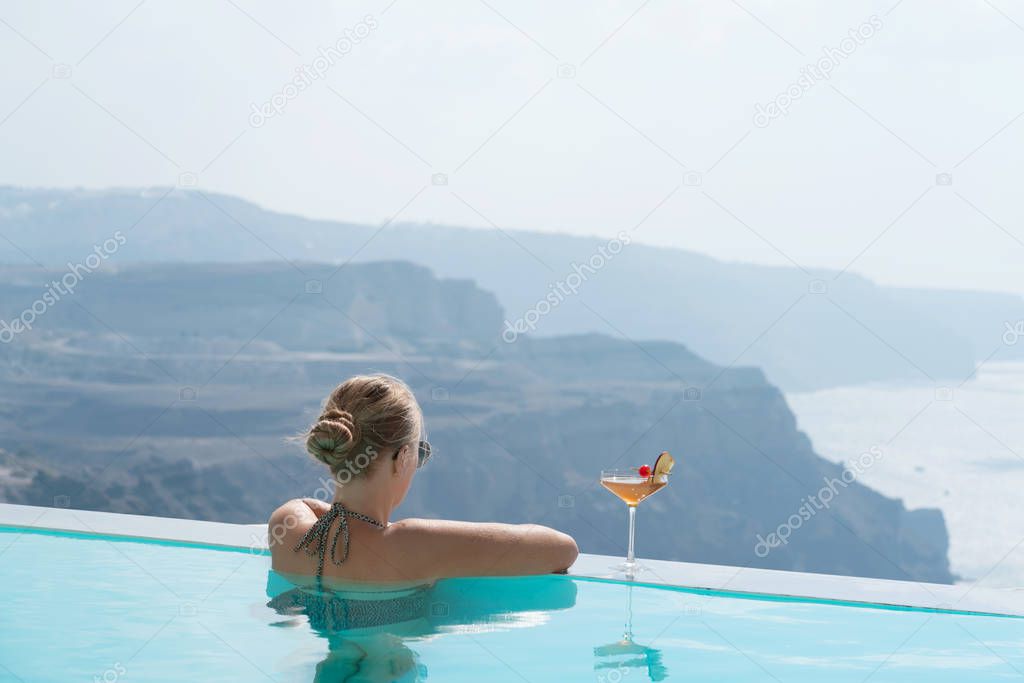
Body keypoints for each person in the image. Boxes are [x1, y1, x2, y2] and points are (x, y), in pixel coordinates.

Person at [269, 374, 578, 584]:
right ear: (403, 457)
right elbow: (562, 549)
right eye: (419, 452)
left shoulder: (286, 527)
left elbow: (306, 507)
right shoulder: (414, 543)